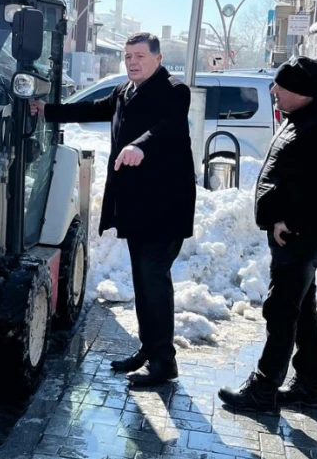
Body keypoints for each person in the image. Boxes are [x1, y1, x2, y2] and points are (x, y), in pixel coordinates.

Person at [31, 32, 195, 387]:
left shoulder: (174, 90)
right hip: (138, 207)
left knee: (154, 282)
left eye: (139, 55)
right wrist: (48, 111)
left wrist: (139, 146)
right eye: (128, 56)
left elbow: (166, 128)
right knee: (142, 281)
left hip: (164, 208)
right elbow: (91, 109)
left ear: (158, 57)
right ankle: (149, 349)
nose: (132, 62)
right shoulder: (125, 91)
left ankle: (164, 362)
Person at [218, 57, 317, 412]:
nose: (273, 91)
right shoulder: (302, 118)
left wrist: (290, 221)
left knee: (281, 311)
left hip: (300, 237)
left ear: (303, 91)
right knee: (302, 310)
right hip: (293, 237)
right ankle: (309, 385)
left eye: (281, 86)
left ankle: (263, 388)